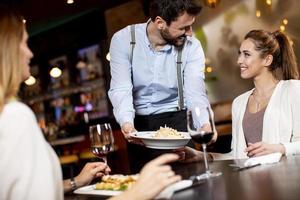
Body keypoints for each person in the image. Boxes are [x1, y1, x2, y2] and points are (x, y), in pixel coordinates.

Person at [0, 6, 181, 200]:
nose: (30, 53)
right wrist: (136, 193)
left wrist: (76, 181)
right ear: (7, 49)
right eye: (25, 43)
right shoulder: (14, 116)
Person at [108, 0, 212, 173]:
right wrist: (126, 123)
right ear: (160, 22)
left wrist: (204, 124)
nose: (190, 33)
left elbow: (195, 92)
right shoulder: (124, 40)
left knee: (190, 185)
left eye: (191, 26)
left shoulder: (192, 46)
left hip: (178, 124)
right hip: (139, 130)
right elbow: (121, 88)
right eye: (183, 28)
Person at [177, 29, 300, 162]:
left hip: (285, 178)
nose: (239, 60)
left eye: (246, 54)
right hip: (250, 180)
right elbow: (237, 155)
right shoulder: (239, 103)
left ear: (267, 59)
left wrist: (280, 148)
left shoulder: (293, 90)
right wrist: (203, 156)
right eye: (239, 54)